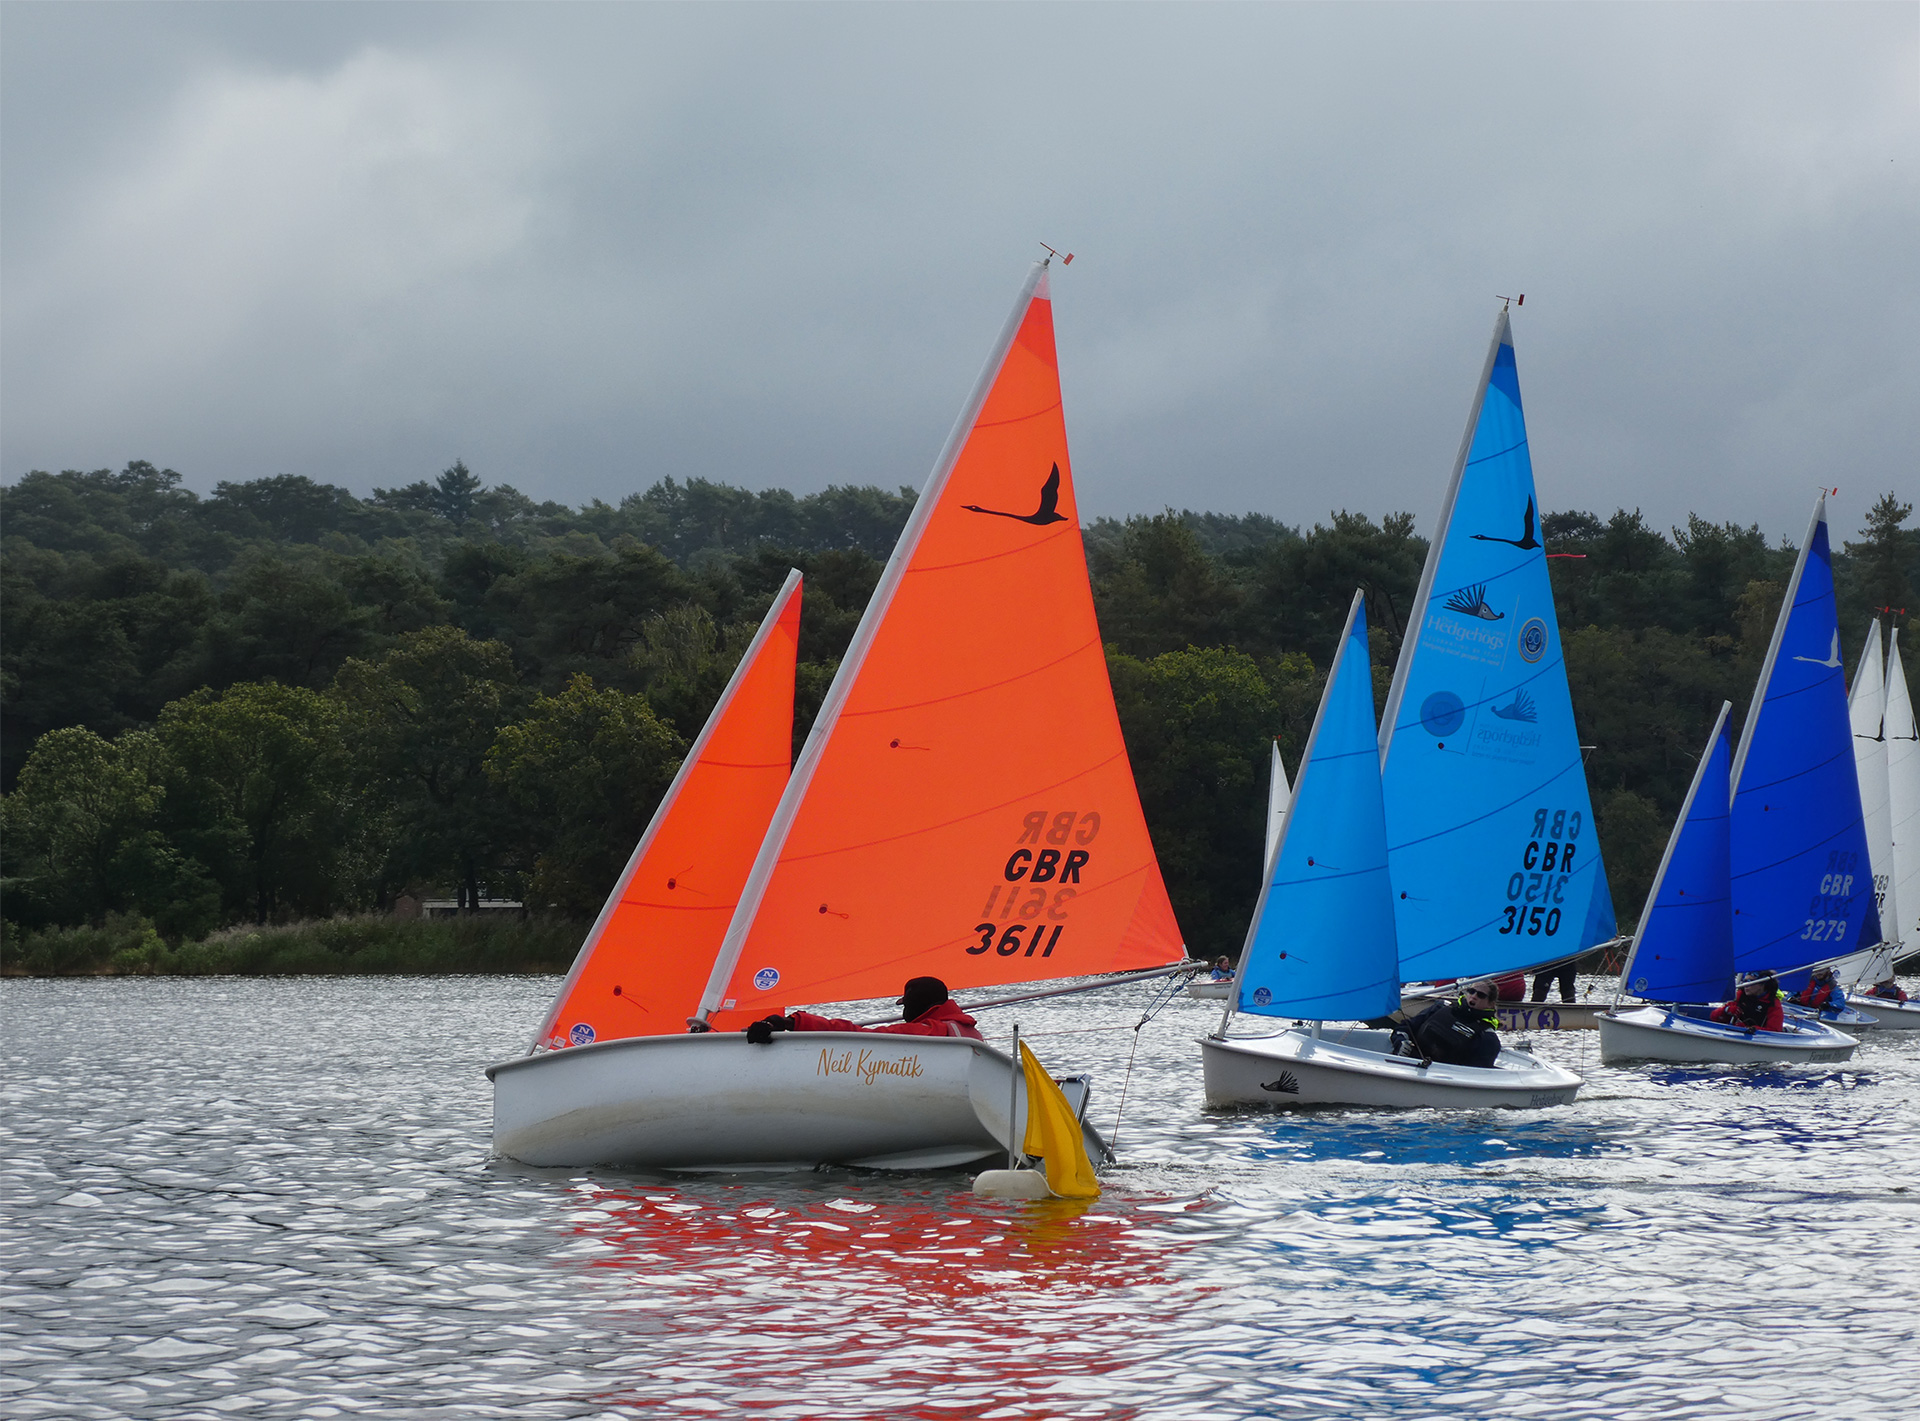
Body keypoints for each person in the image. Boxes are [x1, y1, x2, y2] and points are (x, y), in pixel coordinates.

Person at [745, 975, 984, 1043]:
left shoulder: (930, 1031)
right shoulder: (968, 1031)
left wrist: (793, 1023)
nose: (904, 1013)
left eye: (906, 1005)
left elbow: (861, 1035)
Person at [1391, 981, 1502, 1067]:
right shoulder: (1440, 1007)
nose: (1474, 996)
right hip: (1408, 1065)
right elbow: (1405, 1027)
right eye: (1471, 991)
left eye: (1481, 995)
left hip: (1442, 1082)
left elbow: (1476, 1075)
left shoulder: (1488, 1038)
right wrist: (1400, 1041)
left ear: (1490, 1004)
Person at [1709, 972, 1783, 1031]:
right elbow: (1713, 1017)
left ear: (1762, 984)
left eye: (1750, 981)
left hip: (1755, 1042)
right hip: (1735, 1036)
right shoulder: (1740, 995)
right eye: (1745, 981)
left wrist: (1747, 1029)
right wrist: (1726, 1010)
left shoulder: (1773, 1004)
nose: (1746, 985)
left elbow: (1775, 1031)